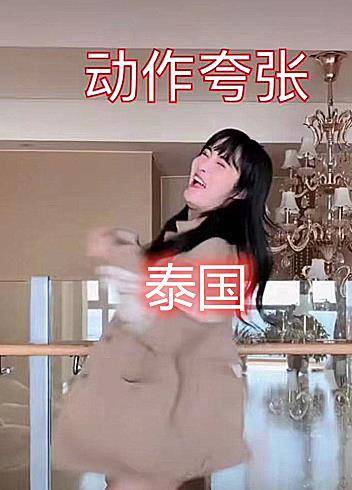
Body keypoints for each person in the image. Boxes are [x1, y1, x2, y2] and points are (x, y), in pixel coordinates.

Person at [52, 128, 275, 490]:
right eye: (205, 153)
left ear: (240, 192)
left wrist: (122, 254)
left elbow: (164, 324)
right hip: (148, 411)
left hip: (167, 417)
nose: (203, 164)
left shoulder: (220, 250)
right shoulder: (183, 239)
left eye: (221, 164)